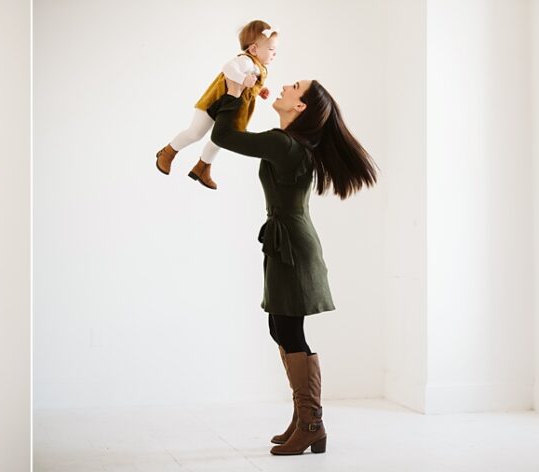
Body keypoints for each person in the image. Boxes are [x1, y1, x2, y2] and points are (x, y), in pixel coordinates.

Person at [209, 76, 377, 455]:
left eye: (293, 87)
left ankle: (312, 423)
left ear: (299, 107)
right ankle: (305, 418)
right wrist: (245, 95)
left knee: (288, 330)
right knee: (280, 327)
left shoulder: (284, 144)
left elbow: (224, 137)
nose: (284, 87)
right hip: (287, 241)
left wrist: (235, 94)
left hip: (292, 247)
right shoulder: (290, 144)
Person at [155, 19, 277, 190]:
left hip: (233, 108)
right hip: (216, 102)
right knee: (196, 133)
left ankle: (202, 167)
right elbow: (228, 68)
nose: (274, 53)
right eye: (271, 49)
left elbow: (251, 84)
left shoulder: (259, 66)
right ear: (254, 49)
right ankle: (168, 152)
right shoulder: (246, 61)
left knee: (221, 138)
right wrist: (243, 79)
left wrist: (259, 89)